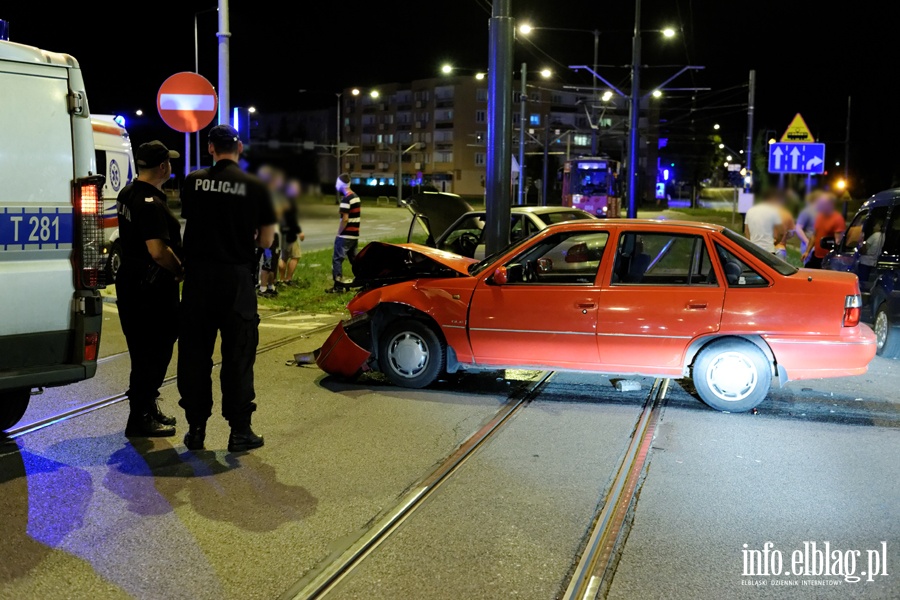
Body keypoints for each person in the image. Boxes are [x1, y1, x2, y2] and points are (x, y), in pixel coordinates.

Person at [177, 125, 276, 452]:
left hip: (198, 281)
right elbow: (266, 239)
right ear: (240, 148)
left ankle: (196, 429)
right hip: (236, 282)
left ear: (210, 148)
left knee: (194, 355)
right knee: (238, 355)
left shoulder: (193, 181)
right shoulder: (256, 186)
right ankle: (239, 431)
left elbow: (195, 219)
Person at [115, 141, 183, 437]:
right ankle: (140, 416)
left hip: (131, 283)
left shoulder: (128, 193)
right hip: (151, 287)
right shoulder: (151, 203)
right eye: (169, 161)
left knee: (142, 350)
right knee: (155, 350)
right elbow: (157, 250)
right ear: (163, 167)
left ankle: (145, 407)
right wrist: (179, 269)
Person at [326, 173, 361, 293]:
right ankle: (362, 280)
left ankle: (338, 285)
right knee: (355, 260)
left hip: (345, 235)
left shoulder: (346, 199)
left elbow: (345, 219)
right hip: (354, 235)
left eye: (337, 182)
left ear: (341, 184)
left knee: (337, 259)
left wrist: (339, 233)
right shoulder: (356, 197)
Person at [803, 192, 845, 269]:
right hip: (815, 256)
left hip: (828, 259)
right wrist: (807, 252)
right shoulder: (819, 217)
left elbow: (838, 241)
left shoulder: (837, 219)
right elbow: (814, 236)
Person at [278, 178, 304, 286]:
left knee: (284, 256)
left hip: (282, 231)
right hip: (290, 233)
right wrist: (299, 232)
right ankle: (288, 279)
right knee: (295, 256)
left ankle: (281, 279)